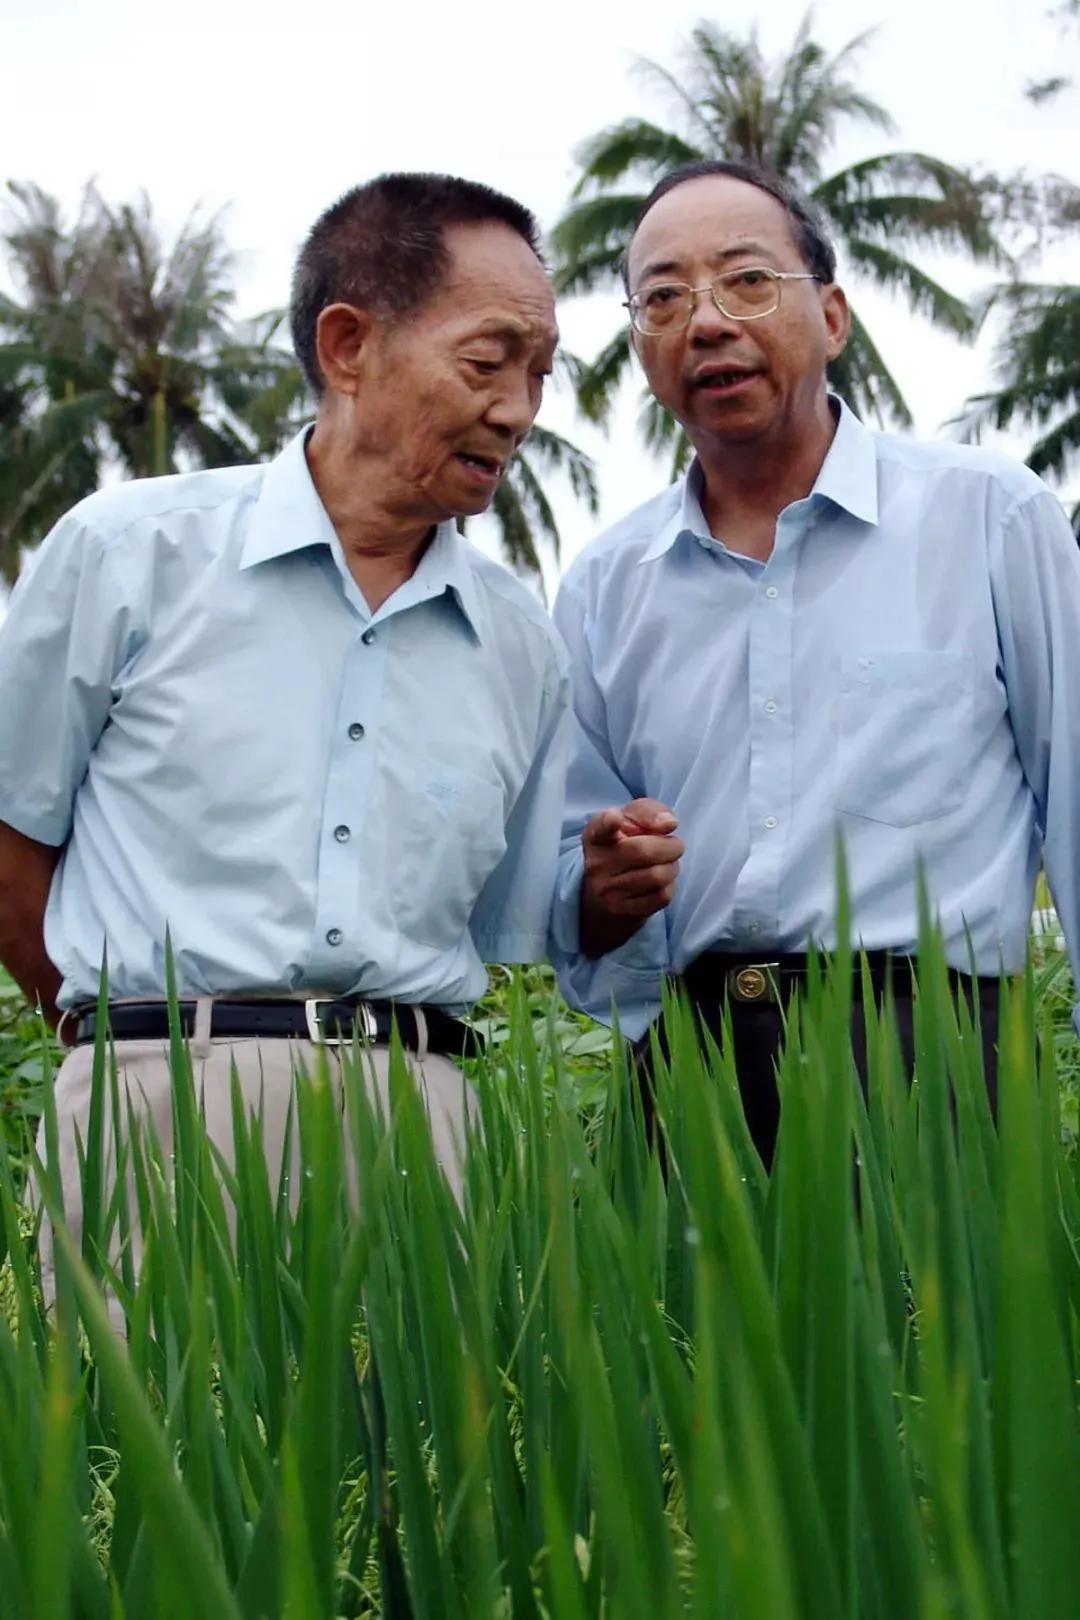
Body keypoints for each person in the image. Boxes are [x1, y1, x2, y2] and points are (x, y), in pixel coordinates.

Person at [0, 172, 569, 1278]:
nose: (519, 411)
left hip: (426, 1129)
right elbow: (11, 834)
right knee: (132, 1441)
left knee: (418, 1448)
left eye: (541, 376)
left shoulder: (519, 642)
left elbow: (500, 929)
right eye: (489, 362)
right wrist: (124, 1049)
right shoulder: (130, 554)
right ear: (348, 345)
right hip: (155, 1115)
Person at [550, 159, 1080, 1164]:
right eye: (663, 296)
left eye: (748, 281)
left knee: (951, 1326)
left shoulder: (987, 516)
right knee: (676, 1328)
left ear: (832, 317)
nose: (704, 322)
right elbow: (571, 866)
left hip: (938, 1060)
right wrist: (599, 888)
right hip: (690, 1072)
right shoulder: (606, 585)